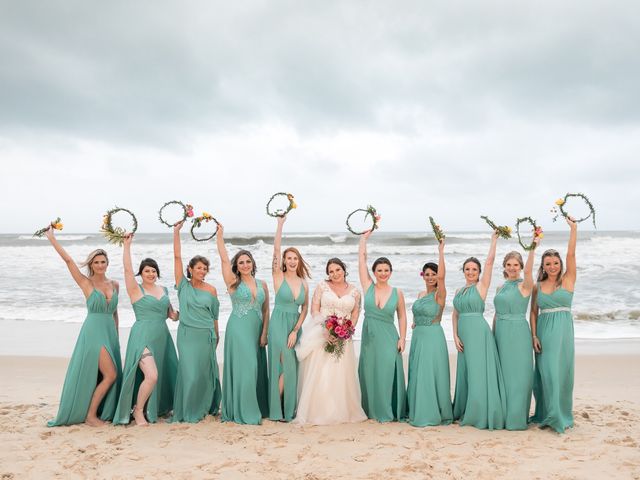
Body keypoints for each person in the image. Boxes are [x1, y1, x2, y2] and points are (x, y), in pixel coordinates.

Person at [45, 227, 122, 427]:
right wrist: (52, 238)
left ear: (107, 263)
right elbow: (69, 261)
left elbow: (115, 312)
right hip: (93, 332)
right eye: (96, 262)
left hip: (110, 333)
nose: (100, 265)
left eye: (103, 262)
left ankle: (97, 412)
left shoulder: (115, 285)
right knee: (110, 375)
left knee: (108, 374)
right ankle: (90, 415)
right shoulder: (85, 283)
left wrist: (116, 334)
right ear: (91, 264)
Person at [113, 234, 178, 426]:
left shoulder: (164, 290)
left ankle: (156, 407)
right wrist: (127, 245)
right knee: (152, 375)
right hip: (142, 336)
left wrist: (183, 315)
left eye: (153, 271)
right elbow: (126, 269)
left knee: (163, 374)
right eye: (147, 271)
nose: (151, 274)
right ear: (141, 273)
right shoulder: (135, 290)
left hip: (162, 337)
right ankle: (138, 410)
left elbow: (171, 314)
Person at [294, 258, 367, 425]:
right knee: (322, 372)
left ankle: (341, 411)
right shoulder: (322, 287)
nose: (335, 274)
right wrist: (326, 329)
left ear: (344, 269)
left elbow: (356, 313)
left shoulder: (355, 291)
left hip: (344, 338)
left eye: (338, 270)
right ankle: (320, 411)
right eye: (331, 271)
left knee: (341, 374)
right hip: (323, 334)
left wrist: (347, 330)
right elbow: (314, 309)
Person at [452, 231, 506, 429]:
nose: (471, 272)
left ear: (479, 272)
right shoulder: (458, 291)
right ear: (463, 271)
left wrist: (493, 241)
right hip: (463, 334)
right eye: (467, 269)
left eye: (474, 269)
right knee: (467, 372)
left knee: (478, 372)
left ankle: (480, 412)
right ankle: (467, 407)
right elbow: (455, 314)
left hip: (478, 333)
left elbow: (490, 262)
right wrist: (455, 335)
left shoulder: (481, 287)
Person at [216, 224, 269, 424]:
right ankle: (245, 411)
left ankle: (255, 405)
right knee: (248, 367)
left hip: (256, 330)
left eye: (248, 261)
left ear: (252, 263)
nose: (245, 265)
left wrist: (265, 332)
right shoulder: (232, 282)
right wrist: (220, 237)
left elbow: (266, 310)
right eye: (241, 262)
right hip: (238, 329)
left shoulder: (262, 284)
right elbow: (223, 258)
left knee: (255, 368)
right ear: (236, 266)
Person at [530, 217, 577, 433]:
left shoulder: (568, 279)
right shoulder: (538, 286)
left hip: (563, 333)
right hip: (544, 333)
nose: (552, 266)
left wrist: (573, 230)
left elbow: (571, 254)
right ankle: (547, 413)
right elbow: (533, 312)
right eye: (548, 263)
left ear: (561, 264)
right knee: (545, 373)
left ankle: (559, 415)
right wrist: (534, 336)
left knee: (561, 372)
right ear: (543, 266)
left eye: (555, 263)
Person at [171, 221, 221, 423]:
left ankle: (205, 408)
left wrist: (216, 336)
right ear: (190, 269)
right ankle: (187, 410)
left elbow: (214, 316)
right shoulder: (182, 285)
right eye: (199, 268)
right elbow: (176, 257)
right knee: (190, 374)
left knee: (204, 374)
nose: (202, 271)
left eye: (205, 268)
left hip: (207, 335)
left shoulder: (211, 290)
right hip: (187, 335)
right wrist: (176, 232)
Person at [357, 230, 407, 422]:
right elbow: (361, 261)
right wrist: (363, 239)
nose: (383, 273)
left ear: (391, 272)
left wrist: (402, 338)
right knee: (369, 371)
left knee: (386, 372)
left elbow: (402, 316)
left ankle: (386, 410)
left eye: (386, 270)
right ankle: (369, 409)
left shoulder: (397, 292)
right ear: (374, 272)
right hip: (369, 337)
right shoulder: (368, 286)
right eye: (379, 270)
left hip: (389, 336)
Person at [492, 236, 540, 430]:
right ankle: (503, 415)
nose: (512, 268)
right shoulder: (499, 287)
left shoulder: (526, 285)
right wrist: (492, 335)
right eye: (509, 264)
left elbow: (530, 270)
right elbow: (495, 314)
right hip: (500, 333)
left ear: (520, 266)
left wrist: (533, 247)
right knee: (503, 375)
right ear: (504, 266)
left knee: (519, 375)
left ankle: (517, 417)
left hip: (518, 332)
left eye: (516, 264)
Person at [407, 239, 452, 427]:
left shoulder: (439, 294)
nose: (431, 277)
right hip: (418, 337)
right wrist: (414, 323)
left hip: (433, 337)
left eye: (434, 274)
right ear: (423, 276)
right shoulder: (420, 295)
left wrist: (440, 251)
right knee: (418, 373)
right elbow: (417, 315)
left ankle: (432, 412)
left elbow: (442, 278)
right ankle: (417, 408)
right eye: (428, 274)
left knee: (430, 373)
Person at [268, 215, 310, 421]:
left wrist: (295, 330)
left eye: (295, 258)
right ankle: (276, 409)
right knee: (283, 365)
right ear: (284, 261)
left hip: (295, 326)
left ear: (298, 261)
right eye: (289, 258)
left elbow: (305, 308)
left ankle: (286, 410)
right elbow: (276, 250)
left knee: (292, 367)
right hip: (278, 324)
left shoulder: (304, 282)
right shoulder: (278, 276)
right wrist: (280, 225)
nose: (292, 261)